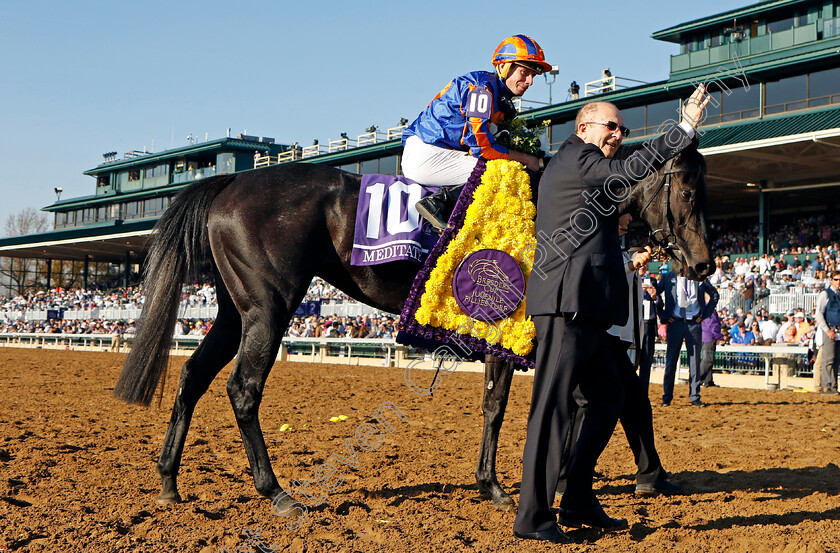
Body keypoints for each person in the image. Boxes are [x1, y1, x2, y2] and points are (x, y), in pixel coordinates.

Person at [513, 86, 709, 543]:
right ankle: (533, 518)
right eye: (612, 126)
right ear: (584, 128)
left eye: (622, 129)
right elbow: (631, 170)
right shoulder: (577, 159)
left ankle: (577, 497)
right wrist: (683, 128)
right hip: (566, 304)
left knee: (609, 398)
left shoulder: (585, 167)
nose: (618, 134)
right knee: (552, 410)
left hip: (588, 311)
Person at [557, 214, 682, 501]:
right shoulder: (590, 241)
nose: (627, 219)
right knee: (592, 406)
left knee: (635, 403)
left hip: (609, 340)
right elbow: (596, 275)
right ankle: (566, 475)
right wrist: (629, 264)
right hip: (592, 336)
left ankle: (649, 472)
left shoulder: (616, 248)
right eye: (622, 215)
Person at [402, 35, 551, 230]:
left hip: (439, 151)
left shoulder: (497, 94)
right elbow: (482, 148)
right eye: (525, 72)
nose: (530, 81)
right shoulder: (481, 89)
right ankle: (437, 203)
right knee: (502, 172)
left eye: (534, 75)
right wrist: (527, 159)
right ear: (503, 66)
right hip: (428, 154)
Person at [657, 272, 719, 407]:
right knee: (671, 361)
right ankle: (667, 397)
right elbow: (655, 294)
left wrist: (705, 314)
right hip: (675, 323)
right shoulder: (669, 277)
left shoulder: (699, 276)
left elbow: (714, 294)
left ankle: (695, 396)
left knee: (695, 361)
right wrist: (663, 315)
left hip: (693, 323)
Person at [814, 270, 840, 393]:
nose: (838, 282)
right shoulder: (825, 294)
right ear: (831, 280)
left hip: (838, 330)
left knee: (836, 360)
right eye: (836, 279)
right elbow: (818, 314)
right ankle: (826, 386)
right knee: (828, 359)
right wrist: (827, 330)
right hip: (830, 329)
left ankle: (834, 387)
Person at [699, 302, 723, 387]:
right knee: (708, 359)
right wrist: (719, 337)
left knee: (707, 358)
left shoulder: (702, 307)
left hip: (702, 336)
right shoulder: (710, 310)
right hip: (709, 337)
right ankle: (698, 378)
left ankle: (708, 380)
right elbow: (713, 326)